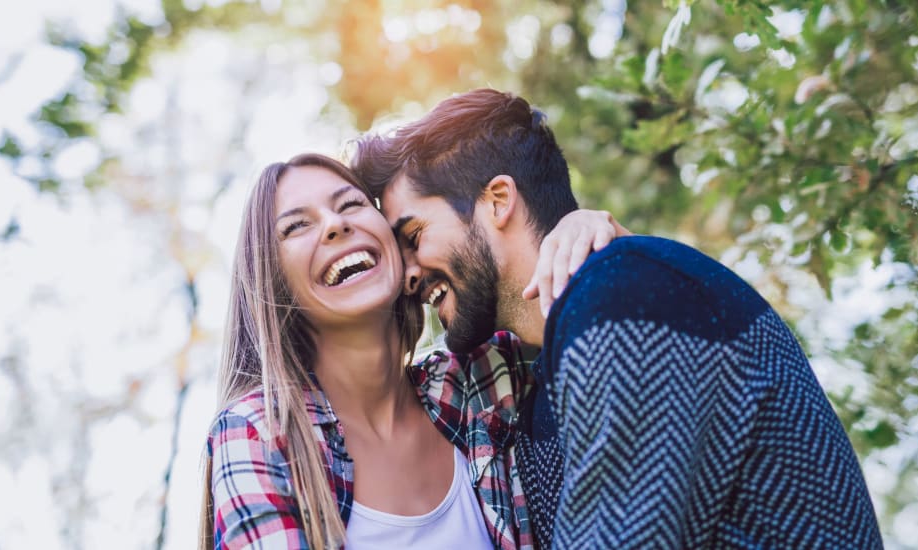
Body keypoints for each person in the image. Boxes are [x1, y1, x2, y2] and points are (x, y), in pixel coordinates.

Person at [352, 88, 884, 548]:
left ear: (497, 201)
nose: (409, 275)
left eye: (415, 237)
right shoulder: (534, 383)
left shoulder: (625, 293)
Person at [198, 152, 624, 549]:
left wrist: (588, 236)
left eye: (350, 205)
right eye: (296, 226)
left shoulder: (477, 381)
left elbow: (617, 328)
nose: (334, 224)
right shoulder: (258, 434)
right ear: (273, 282)